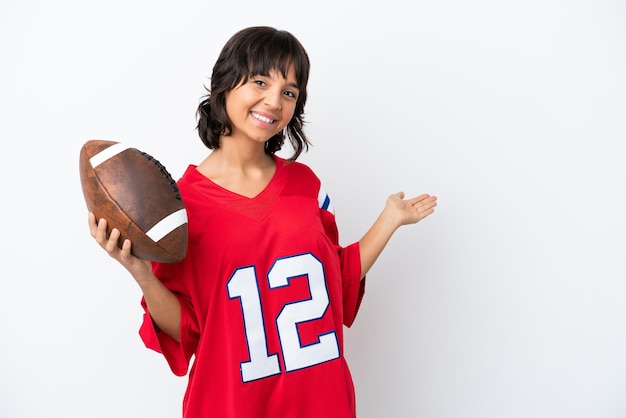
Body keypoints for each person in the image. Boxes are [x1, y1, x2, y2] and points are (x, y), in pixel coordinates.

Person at [88, 26, 437, 418]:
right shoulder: (180, 208)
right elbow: (184, 332)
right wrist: (141, 273)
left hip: (321, 403)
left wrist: (389, 220)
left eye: (289, 92)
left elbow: (332, 286)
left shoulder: (308, 186)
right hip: (231, 406)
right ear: (225, 84)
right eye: (259, 81)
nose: (274, 101)